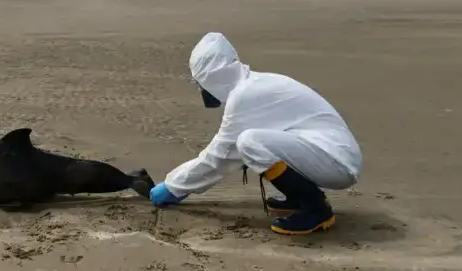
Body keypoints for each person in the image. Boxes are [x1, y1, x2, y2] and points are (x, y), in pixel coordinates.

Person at [146, 32, 362, 236]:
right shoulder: (255, 83)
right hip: (330, 154)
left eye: (199, 83)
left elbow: (219, 156)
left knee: (249, 142)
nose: (201, 90)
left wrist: (173, 187)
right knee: (256, 142)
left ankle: (315, 209)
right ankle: (299, 197)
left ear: (211, 78)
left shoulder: (244, 96)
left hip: (336, 162)